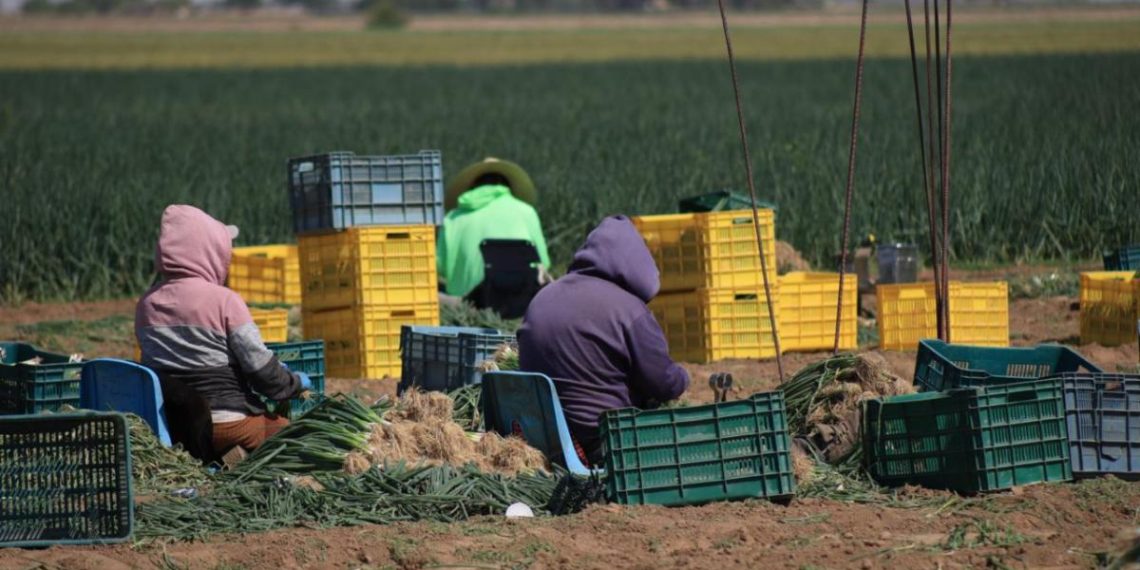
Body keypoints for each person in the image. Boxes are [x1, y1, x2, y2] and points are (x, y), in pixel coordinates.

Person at [135, 205, 311, 462]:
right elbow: (262, 372)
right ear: (209, 251)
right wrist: (293, 384)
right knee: (289, 433)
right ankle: (233, 455)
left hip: (172, 427)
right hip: (225, 423)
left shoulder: (146, 304)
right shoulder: (224, 301)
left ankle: (224, 457)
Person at [517, 215, 690, 466]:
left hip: (545, 437)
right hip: (604, 441)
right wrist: (683, 377)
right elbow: (664, 384)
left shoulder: (542, 298)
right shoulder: (629, 310)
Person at [437, 157, 551, 300]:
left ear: (473, 185)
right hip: (520, 301)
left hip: (466, 302)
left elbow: (441, 267)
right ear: (508, 184)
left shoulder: (452, 218)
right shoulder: (527, 211)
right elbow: (544, 262)